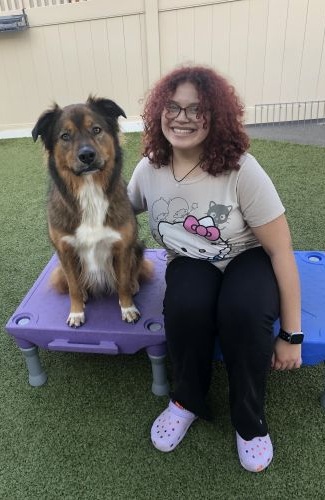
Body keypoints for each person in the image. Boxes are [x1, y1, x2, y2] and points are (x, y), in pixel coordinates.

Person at [127, 65, 303, 473]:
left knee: (242, 311)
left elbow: (280, 251)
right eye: (173, 107)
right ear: (159, 113)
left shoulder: (242, 169)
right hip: (190, 261)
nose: (182, 117)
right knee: (186, 304)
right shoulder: (149, 170)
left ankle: (250, 420)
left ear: (216, 116)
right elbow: (116, 210)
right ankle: (186, 399)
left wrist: (292, 334)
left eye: (196, 109)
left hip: (248, 257)